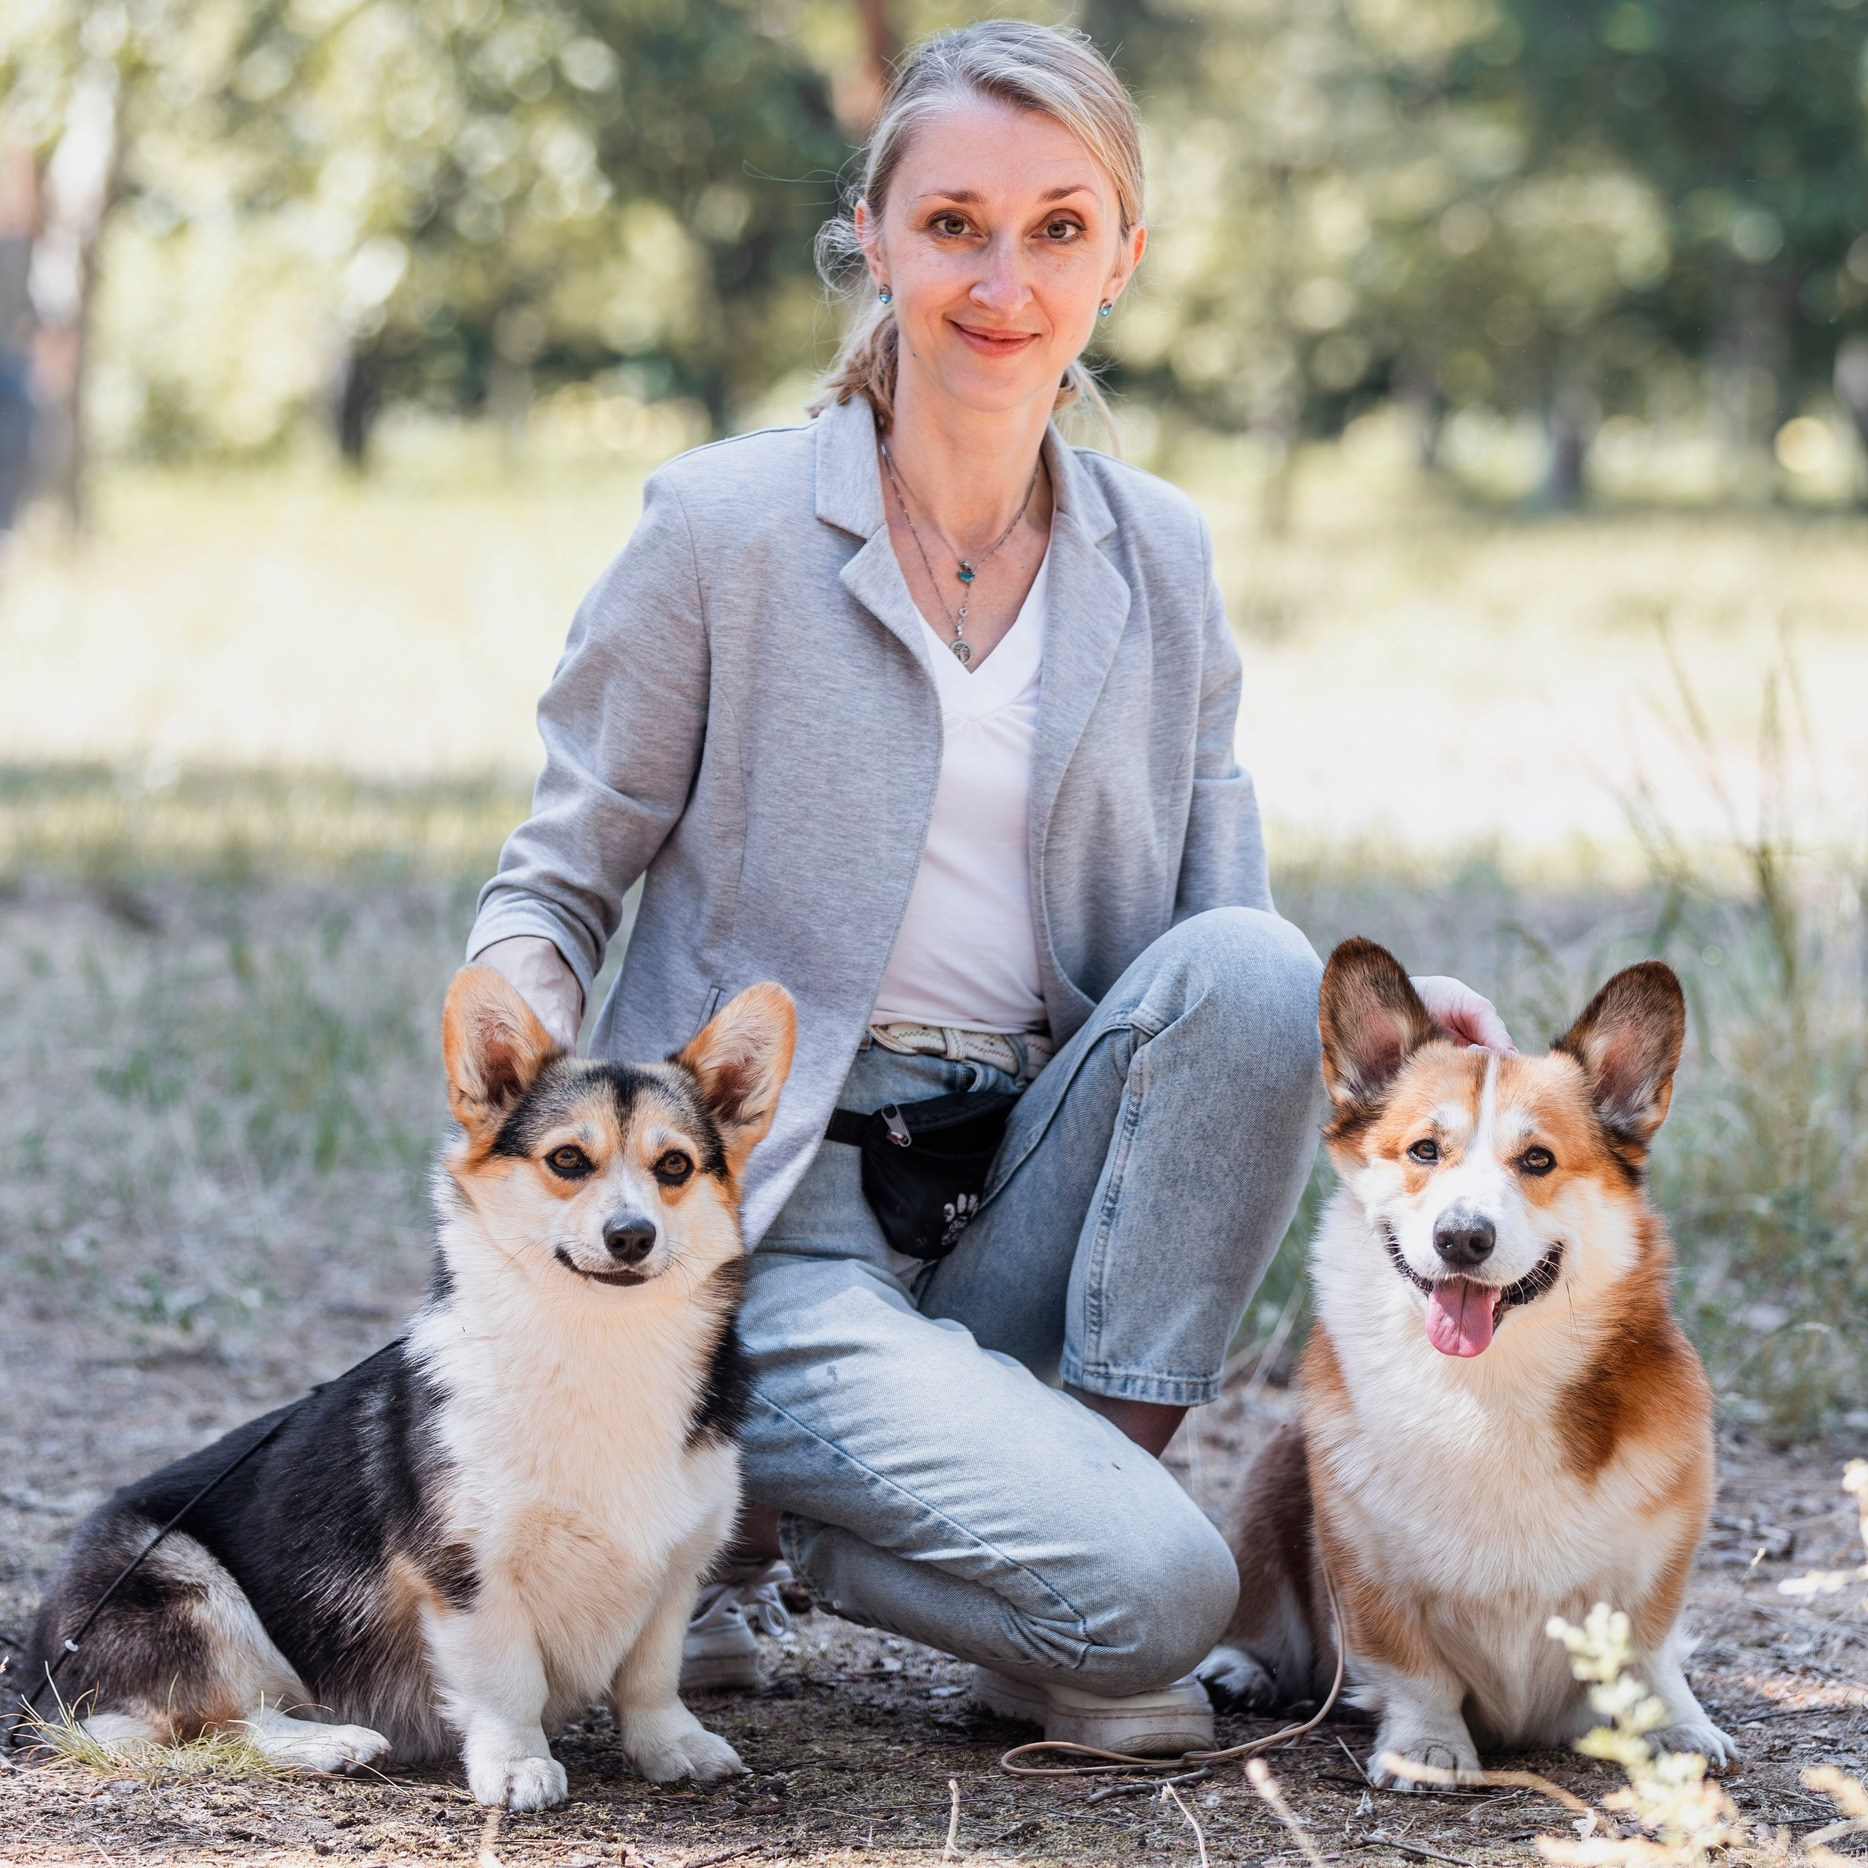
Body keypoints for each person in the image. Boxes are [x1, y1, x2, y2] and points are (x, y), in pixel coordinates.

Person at [467, 19, 1513, 1755]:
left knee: (1258, 970)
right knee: (1168, 1605)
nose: (1000, 277)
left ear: (1122, 261)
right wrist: (531, 1056)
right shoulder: (718, 530)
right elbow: (560, 874)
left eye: (1056, 227)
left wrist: (1407, 1055)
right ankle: (759, 1504)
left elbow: (1225, 954)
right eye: (953, 222)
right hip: (757, 1207)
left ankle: (822, 1524)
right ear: (873, 237)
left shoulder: (1162, 556)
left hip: (1026, 1185)